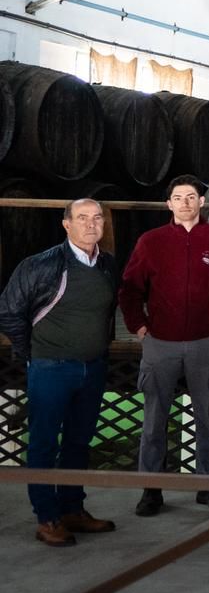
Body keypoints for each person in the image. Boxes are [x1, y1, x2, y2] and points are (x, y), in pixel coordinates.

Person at [0, 199, 121, 546]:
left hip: (92, 367)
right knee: (43, 443)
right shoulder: (41, 264)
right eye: (82, 218)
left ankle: (71, 509)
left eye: (97, 218)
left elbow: (106, 312)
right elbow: (8, 311)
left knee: (78, 443)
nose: (91, 224)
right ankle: (47, 518)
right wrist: (33, 352)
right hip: (51, 367)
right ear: (66, 224)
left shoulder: (107, 264)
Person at [120, 175, 209, 517]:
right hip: (160, 342)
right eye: (178, 197)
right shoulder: (151, 241)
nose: (185, 203)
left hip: (205, 341)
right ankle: (151, 489)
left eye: (191, 197)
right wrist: (139, 326)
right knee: (154, 418)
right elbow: (130, 289)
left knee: (208, 417)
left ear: (202, 202)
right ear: (169, 204)